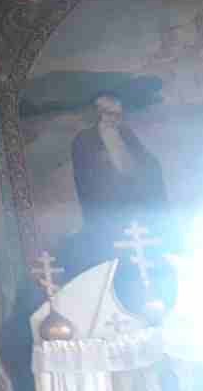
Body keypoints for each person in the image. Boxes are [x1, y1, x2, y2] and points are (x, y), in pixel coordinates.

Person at [71, 93, 169, 265]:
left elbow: (144, 157)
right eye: (112, 114)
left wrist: (151, 165)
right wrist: (101, 165)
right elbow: (83, 176)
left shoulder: (125, 133)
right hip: (107, 199)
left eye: (119, 114)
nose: (117, 119)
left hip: (133, 194)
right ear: (100, 113)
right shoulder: (84, 138)